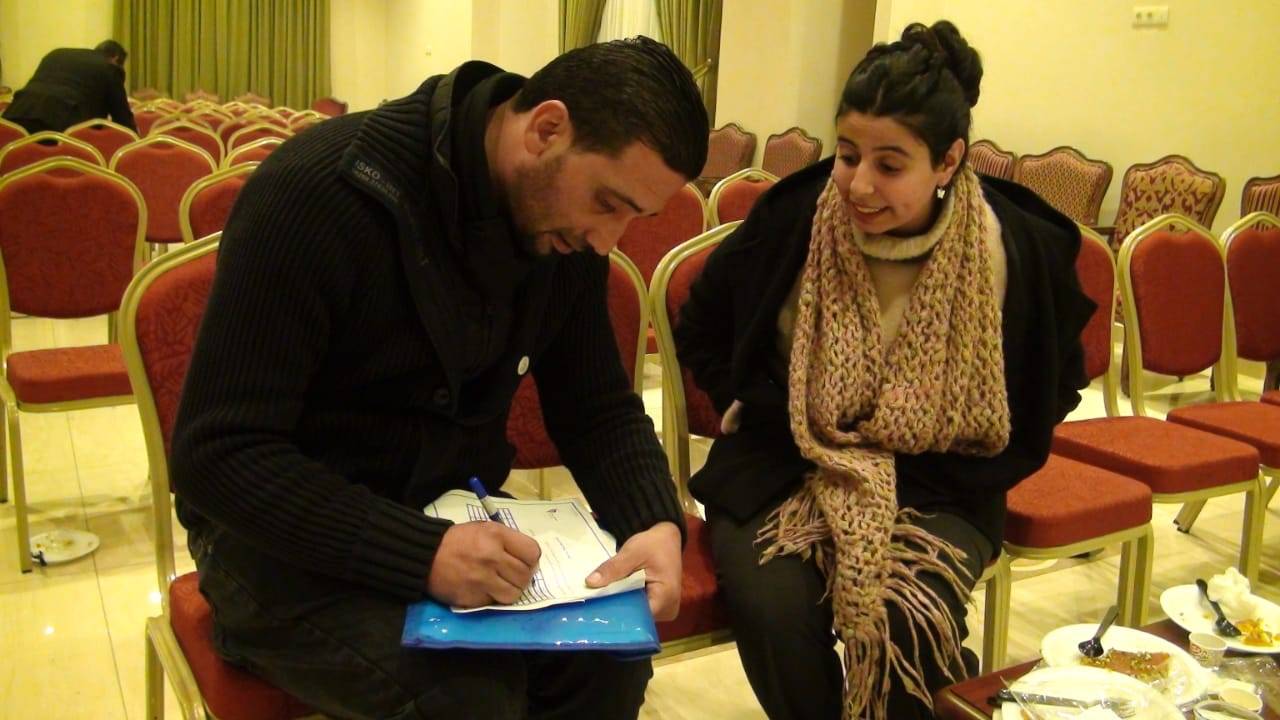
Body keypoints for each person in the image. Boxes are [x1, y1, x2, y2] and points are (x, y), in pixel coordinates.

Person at [168, 37, 708, 720]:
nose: (608, 240)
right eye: (607, 203)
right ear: (546, 129)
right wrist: (421, 554)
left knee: (607, 663)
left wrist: (654, 521)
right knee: (465, 701)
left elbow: (596, 407)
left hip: (451, 515)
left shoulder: (562, 235)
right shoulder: (318, 193)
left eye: (635, 217)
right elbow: (218, 454)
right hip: (278, 541)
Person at [674, 21, 1094, 720]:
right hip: (785, 462)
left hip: (944, 481)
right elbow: (701, 326)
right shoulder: (793, 219)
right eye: (847, 155)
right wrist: (760, 402)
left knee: (909, 615)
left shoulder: (1013, 246)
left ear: (948, 160)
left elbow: (1058, 377)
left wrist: (971, 429)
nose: (859, 185)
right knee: (774, 607)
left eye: (890, 165)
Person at [2, 40, 136, 134]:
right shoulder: (110, 67)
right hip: (61, 127)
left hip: (15, 117)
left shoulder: (56, 54)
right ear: (115, 58)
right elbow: (122, 120)